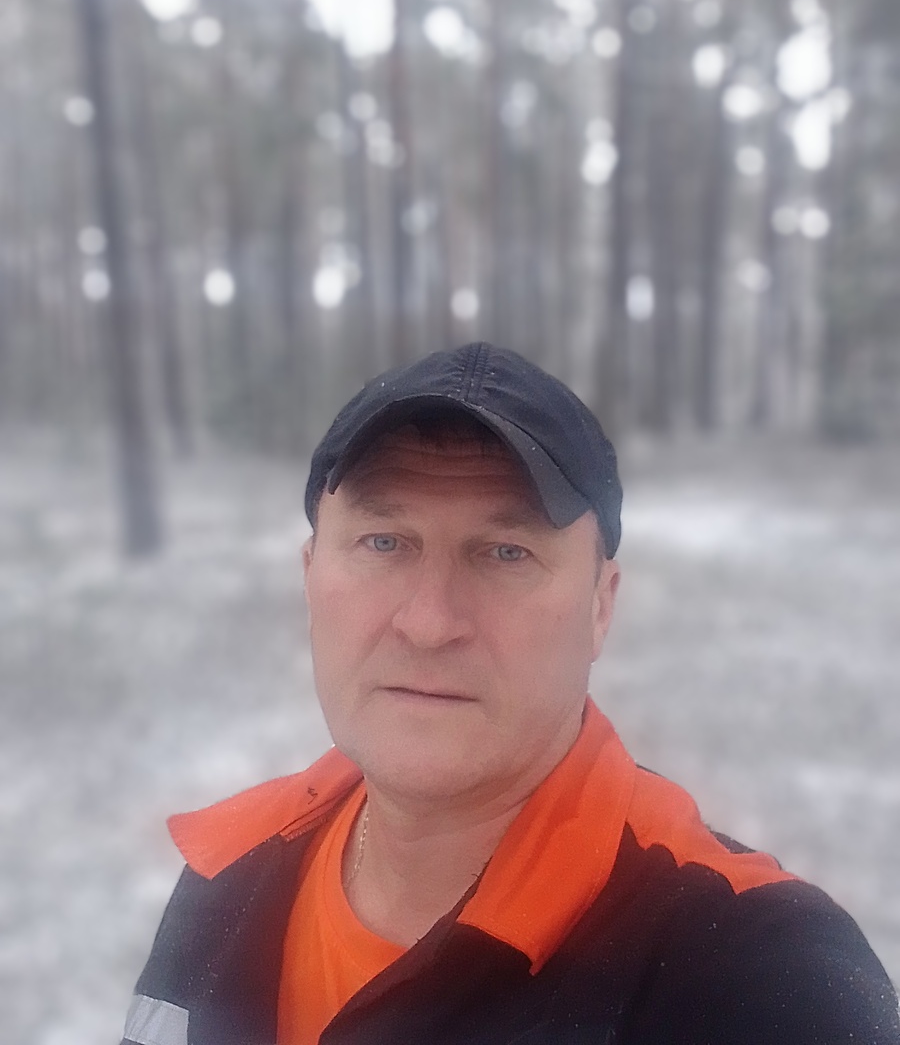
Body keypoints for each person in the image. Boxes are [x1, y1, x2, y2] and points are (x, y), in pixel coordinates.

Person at [121, 342, 900, 1045]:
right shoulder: (228, 878)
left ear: (600, 607)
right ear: (309, 577)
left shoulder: (757, 982)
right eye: (384, 542)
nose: (429, 624)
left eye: (504, 553)